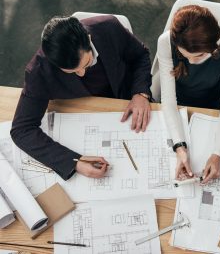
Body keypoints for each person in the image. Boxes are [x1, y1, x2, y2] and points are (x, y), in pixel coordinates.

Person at [11, 15, 152, 180]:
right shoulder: (39, 71)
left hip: (128, 100)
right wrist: (74, 162)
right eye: (71, 72)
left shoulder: (108, 27)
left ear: (89, 39)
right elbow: (22, 130)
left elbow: (140, 55)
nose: (82, 73)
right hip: (84, 117)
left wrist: (140, 93)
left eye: (87, 64)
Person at [157, 5, 220, 184]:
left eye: (199, 56)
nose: (191, 62)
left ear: (215, 45)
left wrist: (218, 153)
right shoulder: (166, 41)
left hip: (215, 107)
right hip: (179, 105)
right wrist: (180, 147)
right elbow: (168, 100)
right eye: (185, 55)